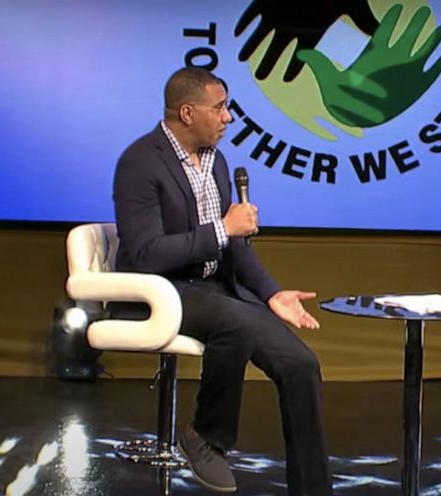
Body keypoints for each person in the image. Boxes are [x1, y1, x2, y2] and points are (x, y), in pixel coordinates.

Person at [112, 67, 331, 495]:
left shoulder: (217, 160)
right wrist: (221, 229)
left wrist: (271, 293)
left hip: (216, 290)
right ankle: (206, 436)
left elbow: (234, 247)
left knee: (301, 365)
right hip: (161, 290)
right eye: (220, 108)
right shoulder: (139, 163)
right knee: (234, 320)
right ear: (188, 112)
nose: (228, 117)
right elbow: (146, 254)